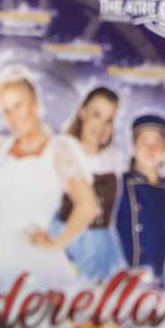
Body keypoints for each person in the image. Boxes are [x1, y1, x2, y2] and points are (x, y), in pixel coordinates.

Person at [0, 66, 96, 283]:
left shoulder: (60, 150)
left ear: (35, 104)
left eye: (18, 106)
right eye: (6, 111)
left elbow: (88, 206)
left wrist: (57, 243)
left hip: (34, 257)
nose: (12, 118)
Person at [58, 86, 125, 280]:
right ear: (82, 111)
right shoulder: (64, 152)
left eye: (109, 120)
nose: (101, 126)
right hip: (70, 241)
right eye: (96, 115)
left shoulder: (114, 158)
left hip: (105, 245)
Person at [113, 115, 165, 280]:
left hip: (156, 273)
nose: (150, 149)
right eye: (144, 142)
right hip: (120, 274)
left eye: (157, 143)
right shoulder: (120, 183)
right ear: (133, 147)